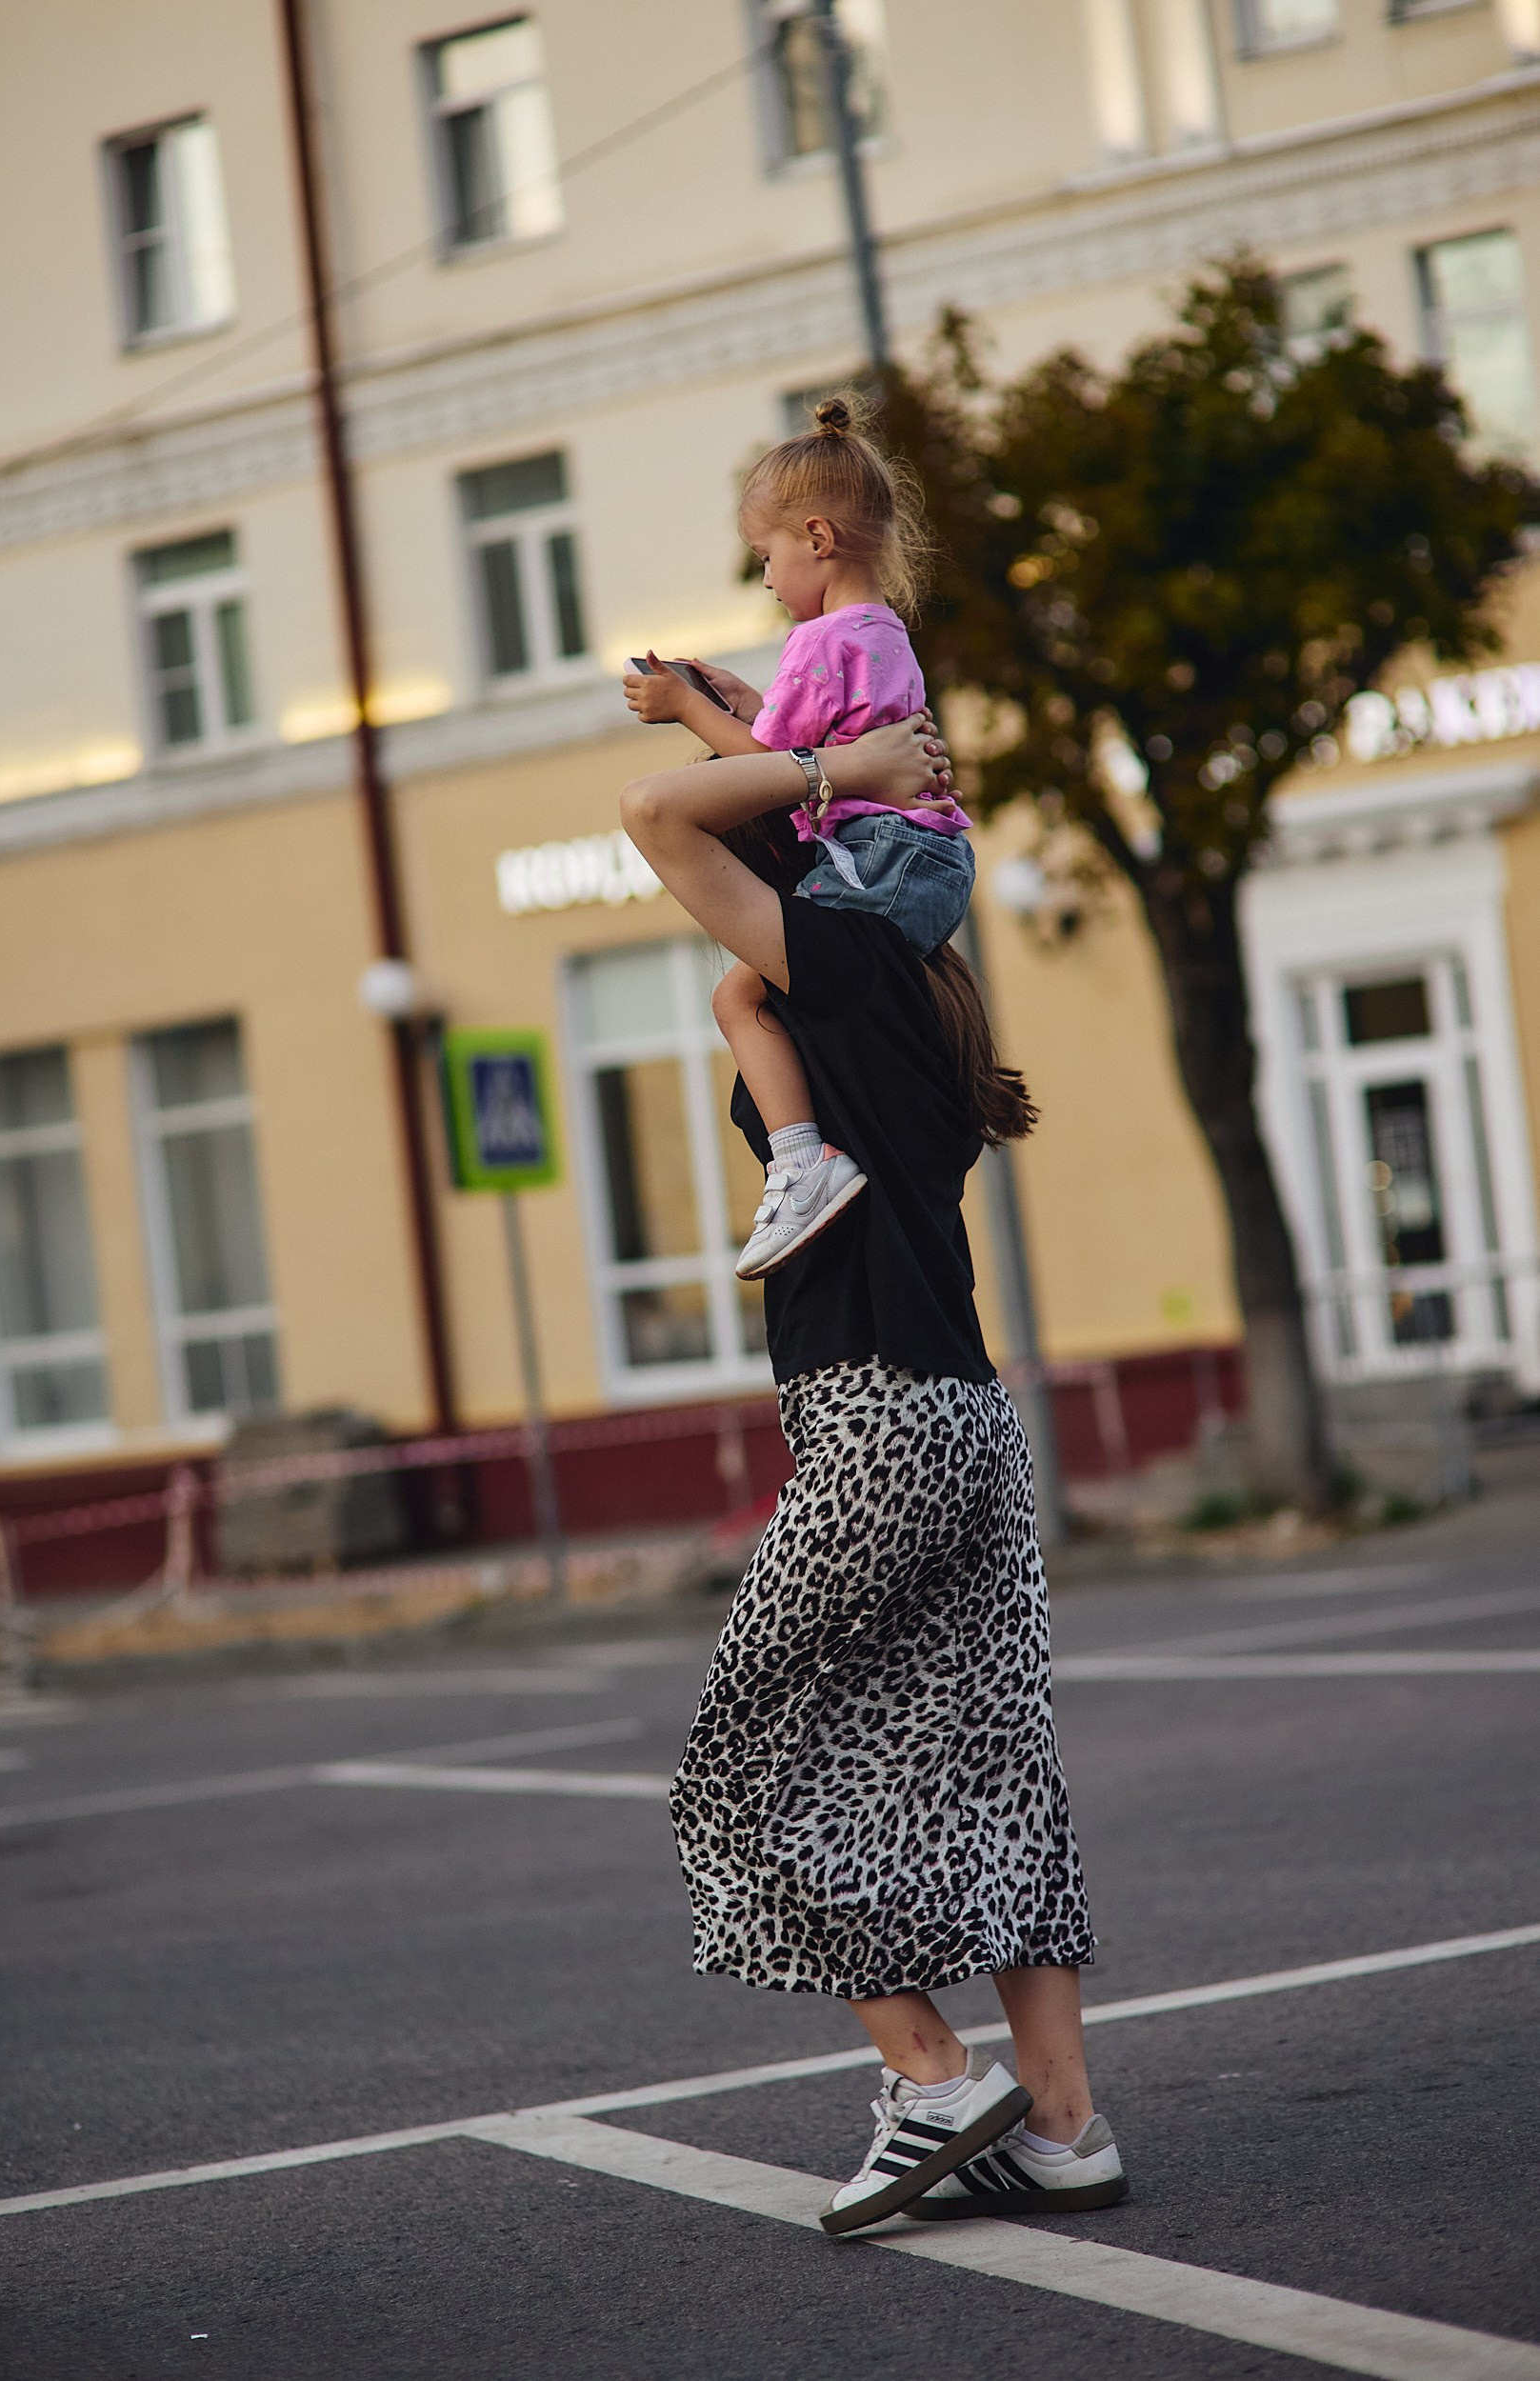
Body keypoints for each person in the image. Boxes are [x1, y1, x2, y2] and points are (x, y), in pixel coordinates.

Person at [619, 713, 1126, 2237]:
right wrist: (745, 720)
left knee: (735, 1773)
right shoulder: (899, 999)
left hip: (875, 1424)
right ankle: (1061, 2127)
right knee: (994, 1777)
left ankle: (925, 2075)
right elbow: (753, 816)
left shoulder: (832, 975)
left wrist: (848, 772)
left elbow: (662, 817)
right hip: (974, 1429)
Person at [622, 395, 974, 1284]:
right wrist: (746, 702)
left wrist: (688, 708)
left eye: (766, 558)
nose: (768, 581)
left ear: (816, 537)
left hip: (882, 862)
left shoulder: (822, 643)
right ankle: (801, 1160)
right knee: (757, 995)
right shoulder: (878, 631)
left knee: (739, 1000)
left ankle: (800, 1162)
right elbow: (806, 747)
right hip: (923, 861)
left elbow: (784, 770)